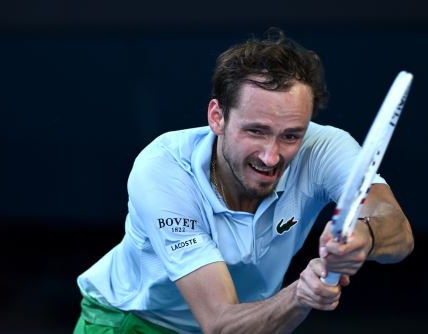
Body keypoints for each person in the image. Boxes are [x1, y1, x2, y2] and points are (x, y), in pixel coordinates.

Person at [74, 28, 414, 334]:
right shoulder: (163, 170)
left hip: (251, 320)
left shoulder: (324, 147)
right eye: (256, 131)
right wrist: (300, 293)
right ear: (217, 117)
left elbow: (398, 233)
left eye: (291, 136)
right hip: (132, 321)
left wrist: (365, 236)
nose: (271, 156)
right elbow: (221, 324)